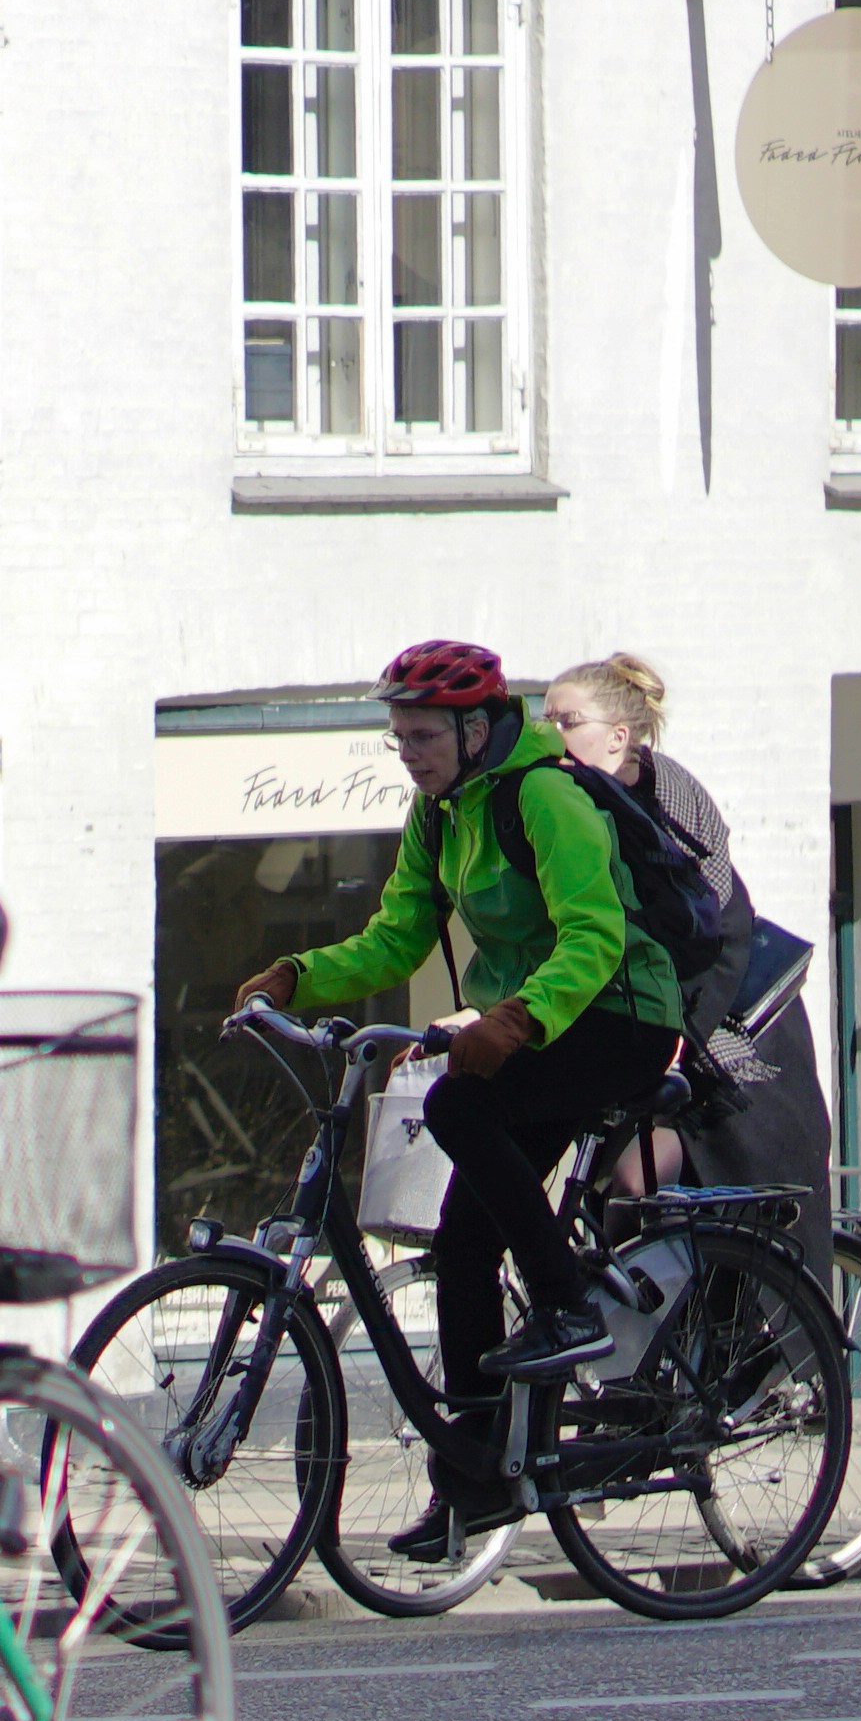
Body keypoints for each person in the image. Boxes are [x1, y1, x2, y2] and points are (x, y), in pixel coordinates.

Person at [233, 639, 683, 1541]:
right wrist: (296, 976)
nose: (408, 753)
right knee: (465, 1240)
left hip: (618, 1016)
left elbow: (594, 936)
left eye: (423, 736)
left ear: (476, 730)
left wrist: (513, 1021)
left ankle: (567, 1305)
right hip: (542, 1022)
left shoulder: (544, 796)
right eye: (398, 737)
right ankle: (475, 1482)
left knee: (456, 1105)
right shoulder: (439, 814)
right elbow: (397, 937)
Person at [538, 654, 829, 1200]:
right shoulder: (579, 803)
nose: (550, 734)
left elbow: (711, 934)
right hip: (667, 1032)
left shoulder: (666, 801)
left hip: (732, 1041)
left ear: (618, 737)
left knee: (633, 1186)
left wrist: (666, 1033)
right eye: (545, 719)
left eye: (567, 721)